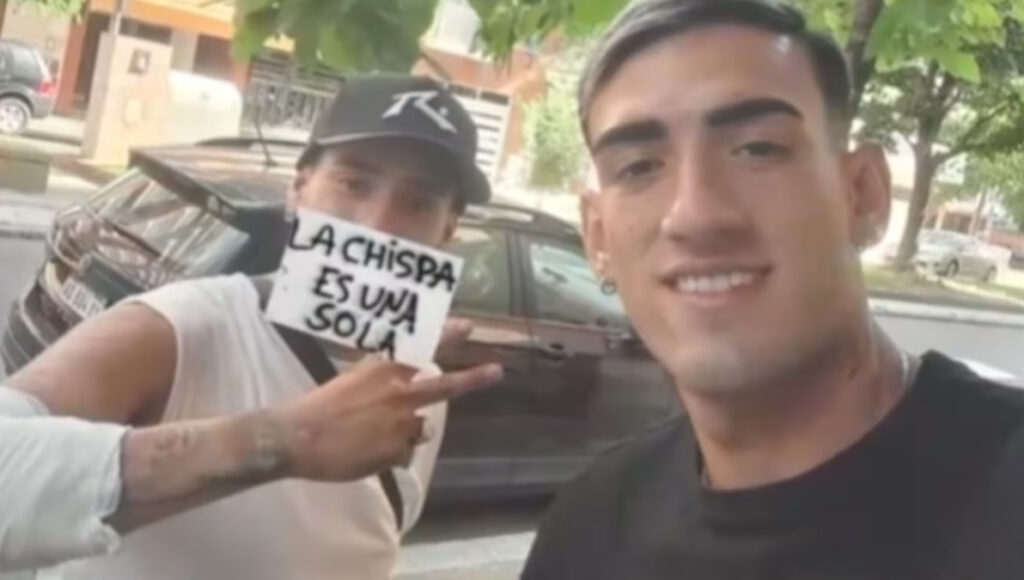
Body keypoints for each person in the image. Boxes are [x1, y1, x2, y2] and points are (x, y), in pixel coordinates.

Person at [522, 1, 1024, 579]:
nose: (695, 214)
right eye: (638, 168)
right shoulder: (587, 530)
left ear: (863, 194)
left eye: (758, 148)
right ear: (596, 236)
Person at [3, 74, 503, 580]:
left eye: (418, 204)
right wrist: (283, 440)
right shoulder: (184, 327)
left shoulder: (421, 389)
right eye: (354, 183)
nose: (378, 225)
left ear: (446, 231)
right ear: (299, 190)